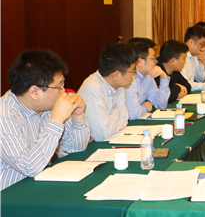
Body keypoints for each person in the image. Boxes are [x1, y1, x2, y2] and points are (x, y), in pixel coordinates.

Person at [0, 50, 90, 190]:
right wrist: (56, 119)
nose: (63, 91)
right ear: (34, 92)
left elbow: (75, 148)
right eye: (59, 86)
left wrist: (78, 116)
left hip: (39, 188)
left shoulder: (47, 107)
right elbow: (30, 167)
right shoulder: (4, 115)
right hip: (9, 196)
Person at [78, 42, 137, 142]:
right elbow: (101, 135)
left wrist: (110, 122)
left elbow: (124, 118)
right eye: (132, 72)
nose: (133, 76)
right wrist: (116, 112)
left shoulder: (118, 84)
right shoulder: (93, 87)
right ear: (116, 75)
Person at [124, 38, 170, 120]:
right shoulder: (130, 79)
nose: (156, 62)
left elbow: (161, 105)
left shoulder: (148, 76)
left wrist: (164, 77)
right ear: (140, 62)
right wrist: (146, 107)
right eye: (153, 58)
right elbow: (134, 114)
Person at [156, 40, 192, 104]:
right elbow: (166, 97)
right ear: (173, 61)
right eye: (184, 58)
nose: (185, 62)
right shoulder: (156, 71)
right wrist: (178, 87)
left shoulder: (174, 70)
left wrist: (180, 90)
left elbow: (187, 86)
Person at [181, 25, 205, 92]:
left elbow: (200, 79)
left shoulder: (194, 56)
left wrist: (203, 62)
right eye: (202, 45)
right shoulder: (180, 56)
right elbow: (185, 84)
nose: (203, 48)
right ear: (191, 42)